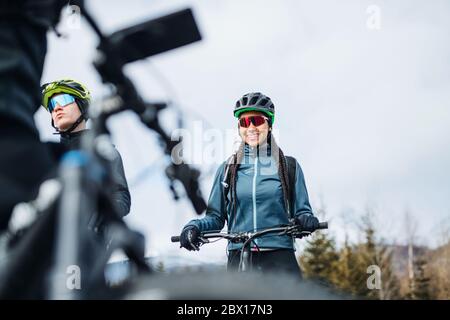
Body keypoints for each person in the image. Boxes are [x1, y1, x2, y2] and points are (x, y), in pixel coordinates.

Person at [178, 92, 319, 277]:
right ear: (239, 128)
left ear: (269, 125)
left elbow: (303, 211)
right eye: (244, 122)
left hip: (279, 257)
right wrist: (194, 226)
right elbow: (215, 217)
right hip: (239, 256)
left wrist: (305, 219)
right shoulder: (227, 169)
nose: (251, 127)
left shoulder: (288, 166)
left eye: (257, 120)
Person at [41, 79, 131, 221]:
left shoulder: (104, 153)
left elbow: (121, 197)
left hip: (90, 238)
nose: (57, 108)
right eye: (52, 105)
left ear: (82, 106)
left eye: (64, 100)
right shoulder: (46, 155)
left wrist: (101, 218)